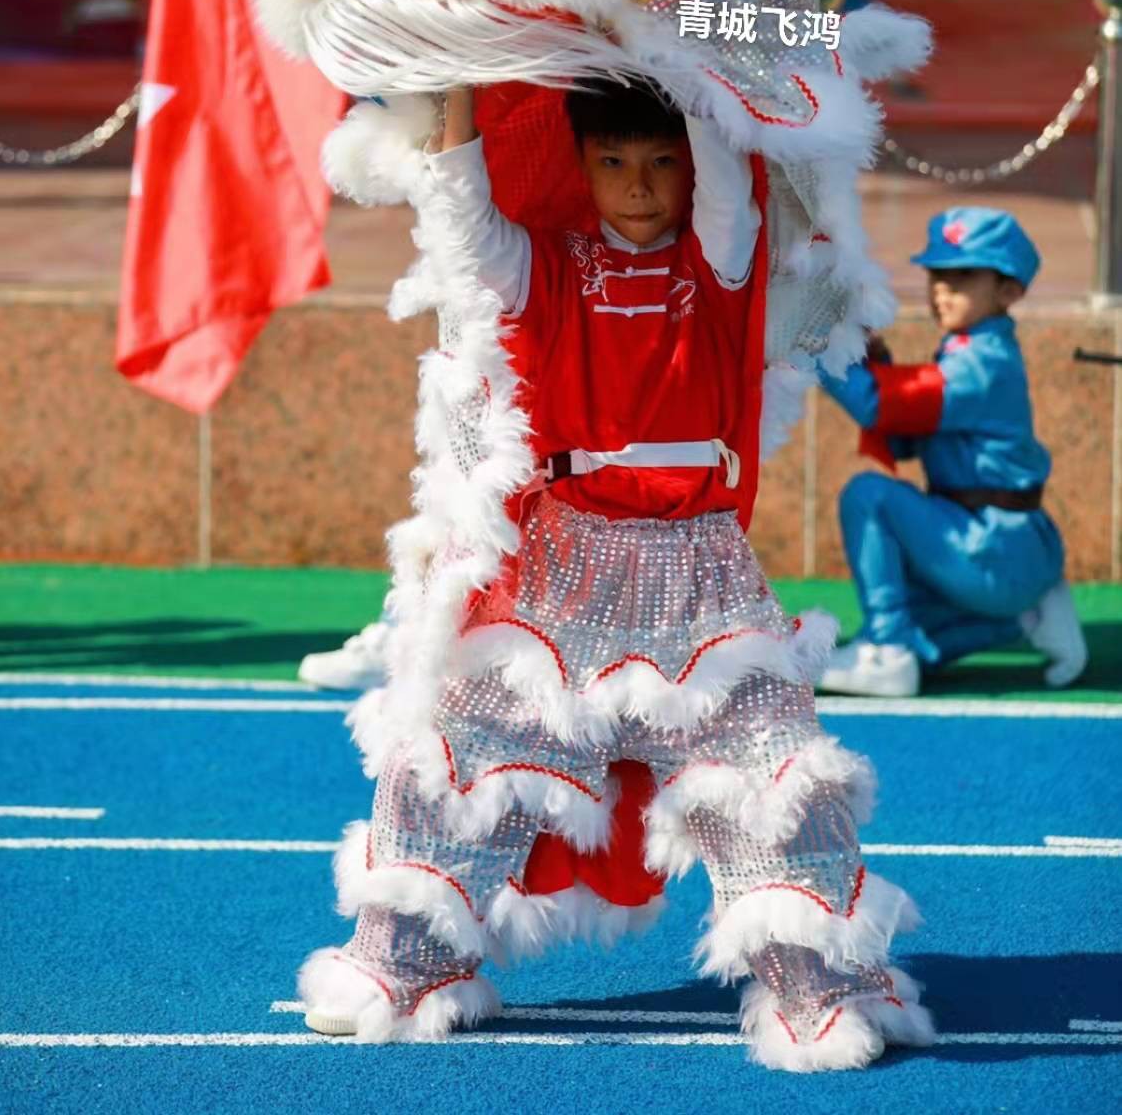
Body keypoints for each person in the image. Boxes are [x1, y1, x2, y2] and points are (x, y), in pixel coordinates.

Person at [296, 78, 932, 1071]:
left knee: (774, 767)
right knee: (453, 743)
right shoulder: (544, 265)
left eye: (660, 160)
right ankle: (403, 957)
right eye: (611, 162)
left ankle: (818, 983)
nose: (637, 184)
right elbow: (464, 225)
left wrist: (681, 42)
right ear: (578, 165)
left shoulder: (718, 263)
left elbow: (729, 165)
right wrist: (458, 85)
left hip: (699, 564)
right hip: (563, 559)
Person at [816, 206, 1087, 698]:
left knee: (869, 497)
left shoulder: (978, 364)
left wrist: (821, 344)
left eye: (962, 277)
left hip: (993, 548)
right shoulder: (972, 350)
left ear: (1010, 291)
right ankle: (1028, 617)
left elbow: (879, 406)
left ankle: (887, 651)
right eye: (937, 275)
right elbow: (904, 435)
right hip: (1007, 549)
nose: (941, 289)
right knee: (921, 629)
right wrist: (870, 357)